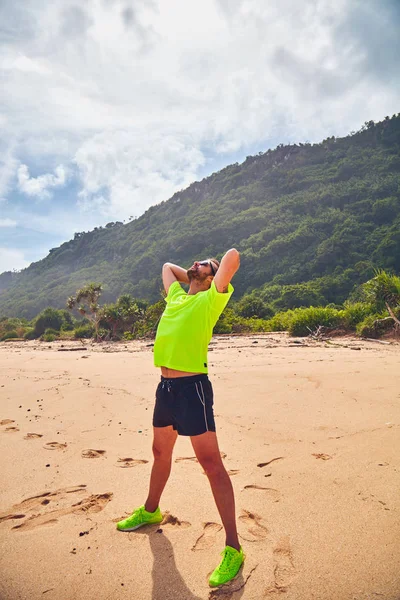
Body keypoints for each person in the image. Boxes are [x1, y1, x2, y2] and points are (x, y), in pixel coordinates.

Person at [117, 249, 244, 587]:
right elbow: (166, 268)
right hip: (166, 388)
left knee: (211, 464)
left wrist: (213, 271)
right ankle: (151, 510)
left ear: (211, 278)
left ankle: (233, 547)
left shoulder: (210, 302)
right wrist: (194, 272)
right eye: (197, 262)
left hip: (193, 389)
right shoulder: (176, 295)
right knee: (161, 453)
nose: (197, 263)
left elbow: (232, 257)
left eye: (205, 264)